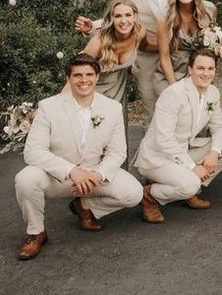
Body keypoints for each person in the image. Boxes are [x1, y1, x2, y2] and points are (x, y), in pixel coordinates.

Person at [15, 54, 143, 260]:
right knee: (25, 179)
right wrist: (72, 171)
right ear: (69, 78)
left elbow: (117, 152)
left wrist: (98, 176)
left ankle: (84, 206)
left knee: (134, 193)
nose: (84, 80)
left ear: (97, 76)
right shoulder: (49, 106)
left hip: (93, 175)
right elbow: (33, 151)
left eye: (89, 74)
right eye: (78, 75)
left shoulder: (112, 108)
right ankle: (36, 232)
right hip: (58, 177)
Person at [135, 49, 222, 223]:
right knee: (191, 183)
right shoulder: (173, 94)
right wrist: (192, 167)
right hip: (157, 158)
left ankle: (191, 189)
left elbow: (220, 126)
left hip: (182, 152)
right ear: (190, 69)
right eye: (200, 68)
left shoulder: (212, 92)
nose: (206, 73)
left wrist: (214, 153)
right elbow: (164, 140)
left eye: (210, 69)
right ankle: (149, 196)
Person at [75, 0, 173, 122]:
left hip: (179, 53)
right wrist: (91, 27)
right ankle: (149, 149)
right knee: (152, 111)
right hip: (147, 57)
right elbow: (116, 18)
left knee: (179, 106)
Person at [70, 0, 147, 163]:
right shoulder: (98, 41)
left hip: (119, 94)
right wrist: (59, 105)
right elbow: (76, 73)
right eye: (118, 16)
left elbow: (152, 49)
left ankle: (116, 182)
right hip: (94, 95)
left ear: (135, 16)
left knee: (117, 143)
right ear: (111, 19)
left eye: (128, 15)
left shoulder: (140, 33)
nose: (124, 20)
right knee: (93, 141)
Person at [153, 0, 216, 96]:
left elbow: (213, 47)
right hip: (171, 74)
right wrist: (175, 89)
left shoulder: (209, 10)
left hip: (198, 72)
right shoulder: (165, 17)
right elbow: (164, 57)